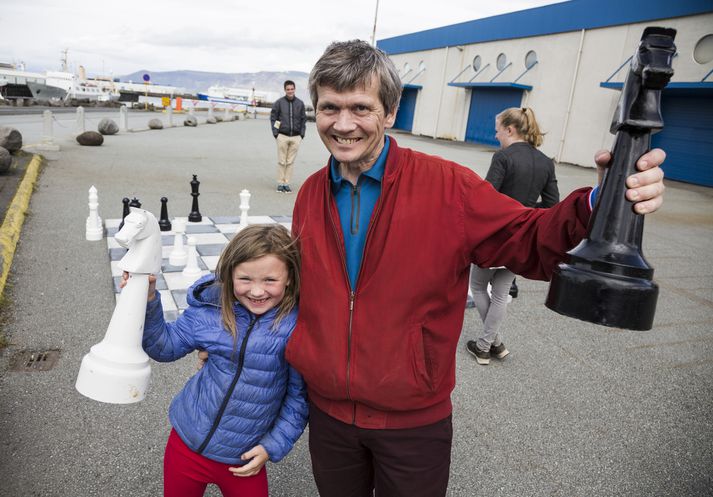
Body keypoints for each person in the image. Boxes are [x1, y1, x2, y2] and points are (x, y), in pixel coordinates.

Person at [282, 40, 666, 497]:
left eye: (360, 108)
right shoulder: (309, 193)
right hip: (328, 417)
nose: (343, 125)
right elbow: (297, 288)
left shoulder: (449, 187)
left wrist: (598, 206)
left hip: (412, 422)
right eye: (330, 108)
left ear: (389, 113)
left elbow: (529, 238)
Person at [132, 224, 307, 497]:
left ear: (289, 279)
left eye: (270, 280)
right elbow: (163, 347)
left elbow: (299, 399)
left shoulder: (296, 327)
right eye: (245, 279)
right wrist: (149, 297)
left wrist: (272, 446)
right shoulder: (210, 312)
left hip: (244, 459)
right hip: (187, 444)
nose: (258, 291)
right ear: (229, 275)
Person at [467, 106, 559, 365]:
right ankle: (493, 343)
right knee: (500, 292)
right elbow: (552, 204)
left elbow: (486, 197)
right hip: (523, 236)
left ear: (510, 129)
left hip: (496, 234)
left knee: (477, 286)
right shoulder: (545, 161)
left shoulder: (503, 157)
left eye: (498, 131)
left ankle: (485, 345)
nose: (496, 136)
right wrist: (527, 211)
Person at [270, 80, 306, 193]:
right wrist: (276, 133)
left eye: (292, 89)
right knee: (282, 161)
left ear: (294, 89)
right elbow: (274, 118)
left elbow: (303, 119)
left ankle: (287, 183)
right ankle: (280, 183)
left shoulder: (300, 103)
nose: (290, 91)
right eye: (288, 89)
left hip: (296, 137)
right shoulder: (279, 103)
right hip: (282, 136)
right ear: (285, 90)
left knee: (290, 162)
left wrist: (302, 134)